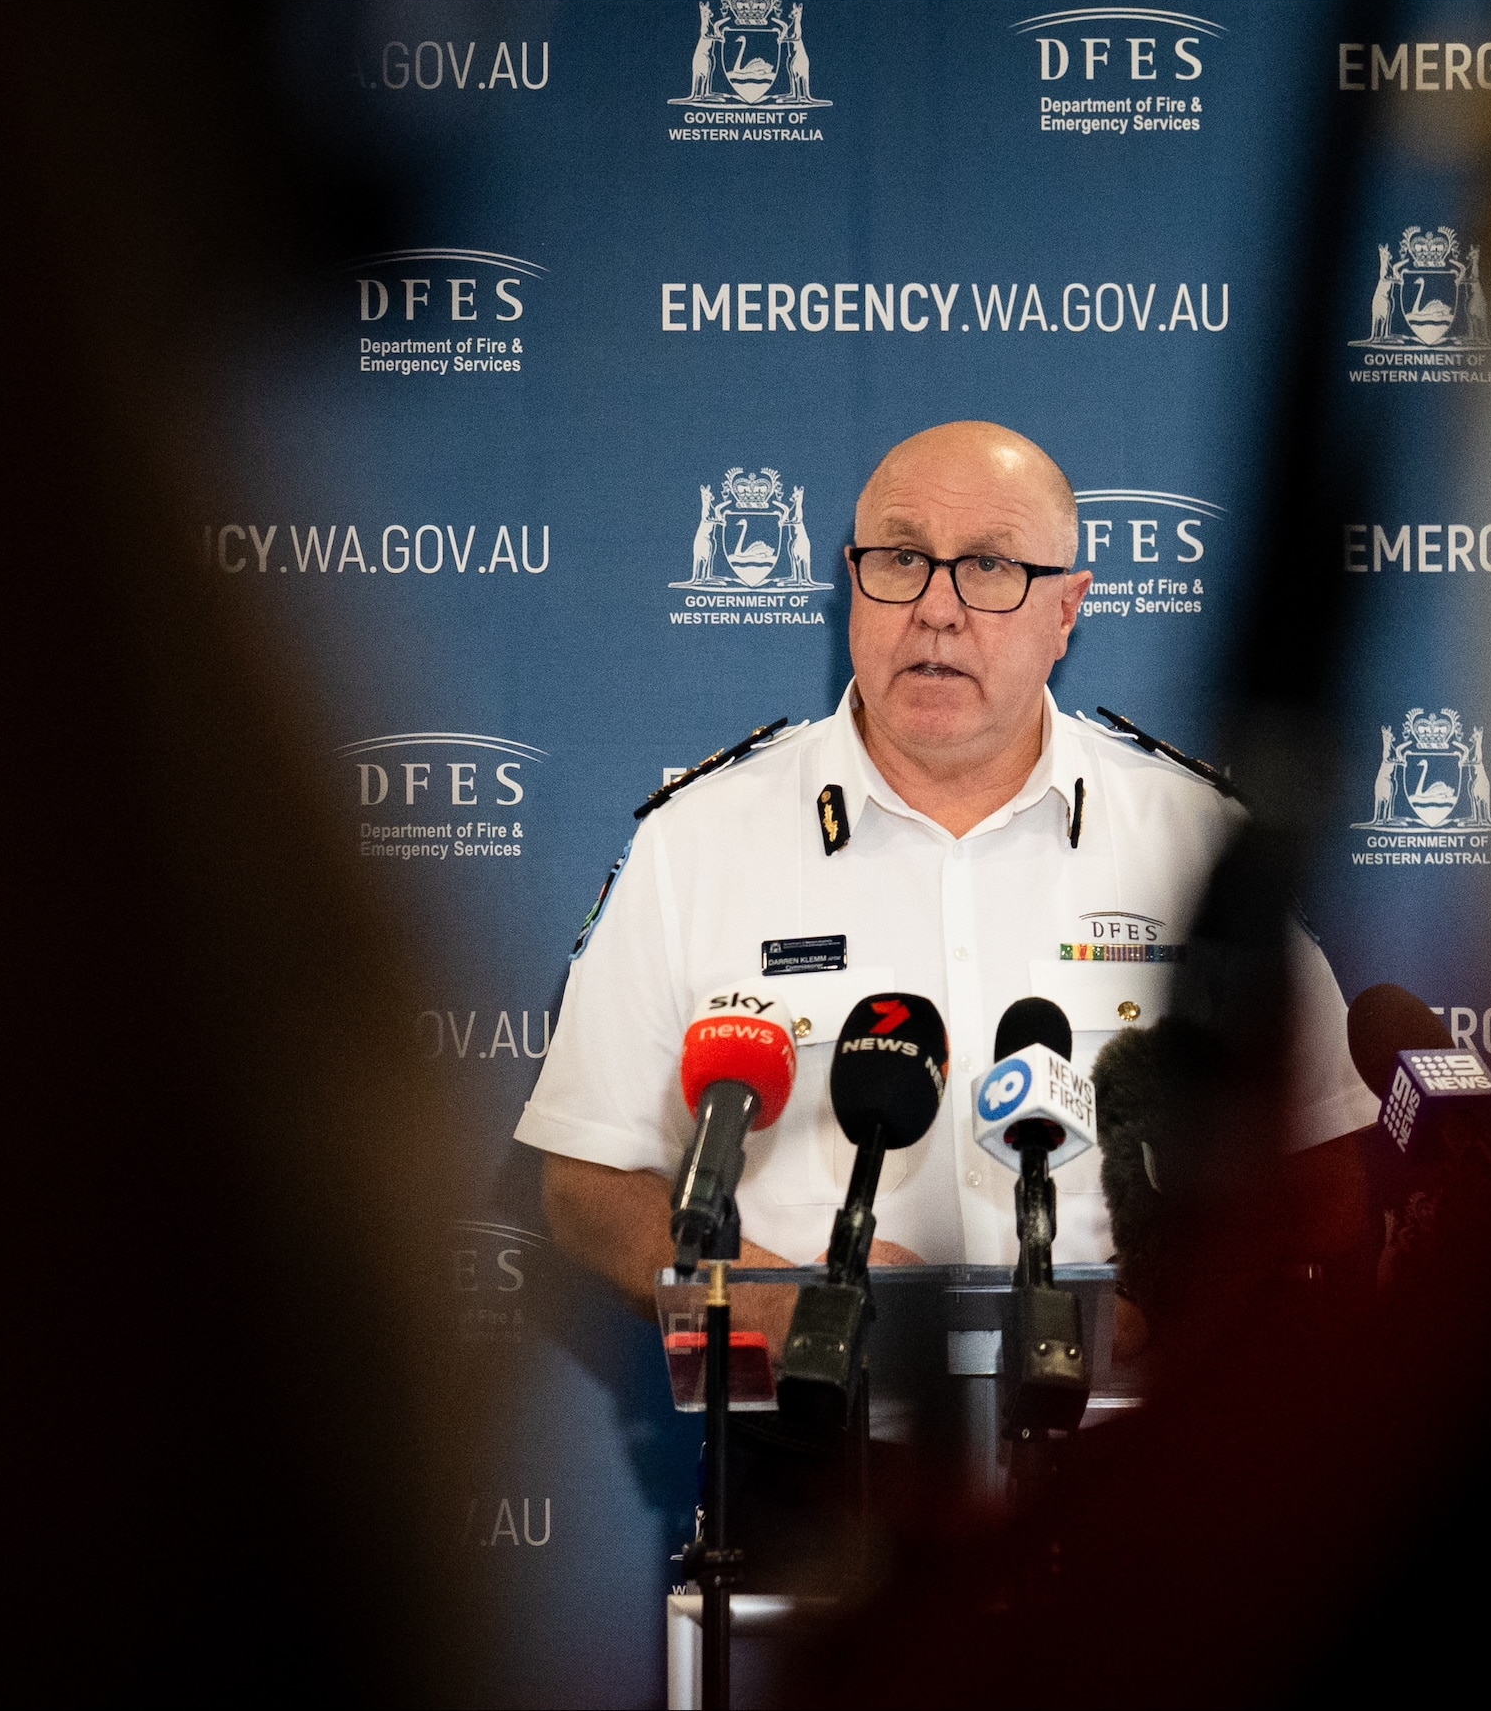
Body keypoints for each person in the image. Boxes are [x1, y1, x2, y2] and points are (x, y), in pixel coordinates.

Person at [518, 421, 1377, 1336]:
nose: (935, 608)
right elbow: (588, 1180)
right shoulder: (695, 844)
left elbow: (1324, 1160)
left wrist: (1192, 1294)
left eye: (990, 567)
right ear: (852, 582)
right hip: (822, 1449)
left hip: (1123, 1456)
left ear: (1067, 610)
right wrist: (771, 1301)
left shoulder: (1200, 840)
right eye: (901, 559)